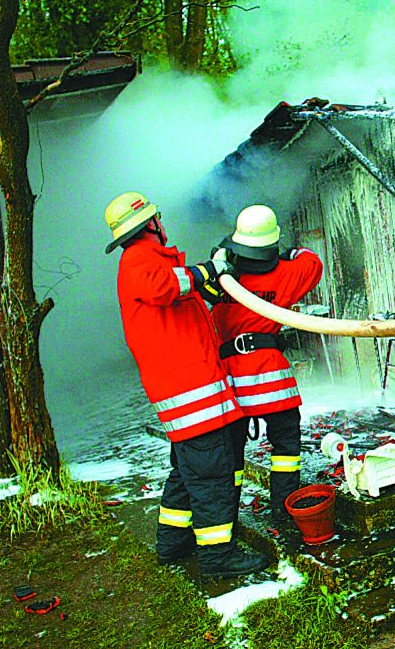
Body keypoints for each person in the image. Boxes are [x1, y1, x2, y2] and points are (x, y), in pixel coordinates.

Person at [104, 191, 271, 579]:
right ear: (150, 224)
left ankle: (173, 543)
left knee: (188, 472)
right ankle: (218, 558)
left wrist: (210, 278)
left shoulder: (152, 263)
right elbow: (168, 287)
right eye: (157, 217)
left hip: (197, 396)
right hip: (192, 396)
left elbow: (184, 294)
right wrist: (209, 270)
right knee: (213, 476)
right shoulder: (140, 260)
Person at [210, 204, 324, 524]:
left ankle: (226, 518)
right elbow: (313, 264)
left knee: (231, 455)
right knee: (286, 445)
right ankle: (284, 512)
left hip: (230, 379)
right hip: (270, 375)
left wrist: (222, 256)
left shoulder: (219, 278)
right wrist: (291, 253)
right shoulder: (287, 274)